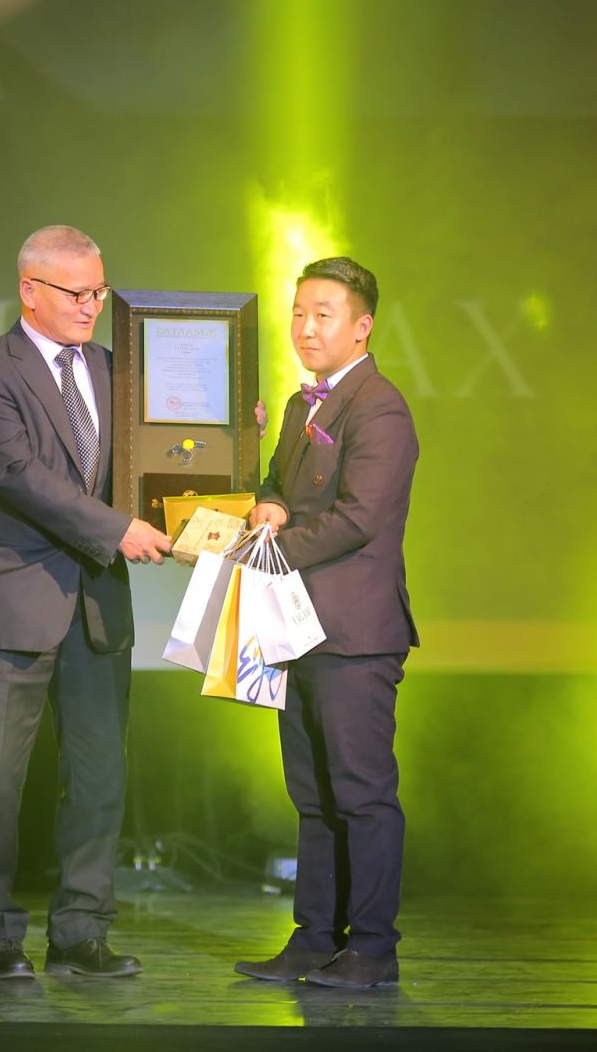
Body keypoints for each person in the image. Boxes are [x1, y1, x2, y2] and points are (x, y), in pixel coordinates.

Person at [0, 224, 172, 980]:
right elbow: (15, 474)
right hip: (13, 602)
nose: (91, 305)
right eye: (76, 292)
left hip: (97, 605)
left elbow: (164, 454)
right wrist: (116, 530)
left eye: (99, 291)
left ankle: (81, 932)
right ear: (30, 290)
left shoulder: (117, 370)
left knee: (100, 775)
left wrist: (232, 436)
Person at [235, 256, 419, 990]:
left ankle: (372, 949)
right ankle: (314, 938)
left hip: (353, 633)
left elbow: (357, 519)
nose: (305, 328)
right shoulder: (299, 404)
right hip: (298, 626)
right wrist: (268, 502)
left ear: (362, 326)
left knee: (362, 795)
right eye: (298, 313)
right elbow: (280, 486)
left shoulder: (379, 407)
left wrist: (263, 553)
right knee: (311, 795)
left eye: (323, 315)